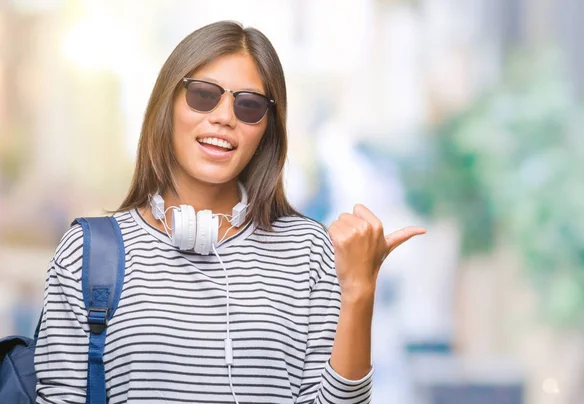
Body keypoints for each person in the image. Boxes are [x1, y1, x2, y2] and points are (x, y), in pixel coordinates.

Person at [34, 21, 425, 404]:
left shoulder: (309, 251)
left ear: (266, 130)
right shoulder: (88, 251)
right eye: (203, 95)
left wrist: (359, 291)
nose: (224, 116)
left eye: (249, 105)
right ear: (166, 105)